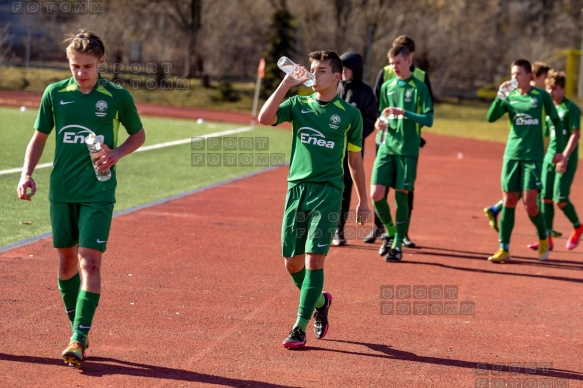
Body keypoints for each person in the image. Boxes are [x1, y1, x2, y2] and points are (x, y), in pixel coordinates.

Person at [16, 30, 146, 367]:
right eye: (75, 66)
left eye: (87, 66)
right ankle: (80, 330)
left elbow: (138, 134)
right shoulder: (55, 93)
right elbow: (39, 138)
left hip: (98, 191)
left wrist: (117, 153)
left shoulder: (116, 96)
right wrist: (26, 173)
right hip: (62, 191)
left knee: (89, 261)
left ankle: (77, 336)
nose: (81, 73)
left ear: (101, 62)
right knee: (66, 262)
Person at [258, 50, 369, 349]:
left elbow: (355, 162)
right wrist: (285, 84)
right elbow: (264, 117)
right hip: (297, 190)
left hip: (329, 193)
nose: (314, 75)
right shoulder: (298, 104)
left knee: (313, 260)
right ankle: (321, 301)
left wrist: (364, 200)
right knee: (292, 265)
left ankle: (299, 327)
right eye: (312, 70)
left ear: (336, 76)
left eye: (321, 71)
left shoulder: (350, 115)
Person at [485, 59, 563, 263]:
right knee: (510, 200)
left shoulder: (541, 96)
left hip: (533, 157)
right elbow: (491, 118)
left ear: (530, 76)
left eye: (518, 74)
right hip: (512, 155)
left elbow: (555, 120)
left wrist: (559, 150)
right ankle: (504, 248)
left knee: (530, 205)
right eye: (512, 74)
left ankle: (543, 236)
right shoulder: (510, 96)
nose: (514, 78)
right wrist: (500, 96)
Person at [366, 35, 434, 253]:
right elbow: (384, 113)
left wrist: (404, 113)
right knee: (376, 194)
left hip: (407, 150)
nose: (393, 67)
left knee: (401, 195)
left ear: (408, 62)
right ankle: (392, 231)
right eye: (391, 63)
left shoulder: (419, 87)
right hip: (386, 147)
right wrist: (379, 122)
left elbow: (429, 119)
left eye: (397, 62)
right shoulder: (387, 86)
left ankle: (397, 244)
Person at [526, 70, 583, 251]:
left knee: (561, 200)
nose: (551, 93)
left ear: (563, 89)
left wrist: (564, 157)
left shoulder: (570, 109)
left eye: (555, 89)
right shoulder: (549, 109)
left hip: (565, 159)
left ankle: (578, 226)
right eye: (549, 89)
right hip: (548, 160)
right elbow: (546, 138)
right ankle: (547, 238)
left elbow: (576, 135)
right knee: (546, 199)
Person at [332, 52, 377, 246]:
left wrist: (354, 136)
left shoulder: (366, 92)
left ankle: (338, 230)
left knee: (345, 189)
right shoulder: (335, 87)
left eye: (347, 69)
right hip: (331, 148)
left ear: (356, 71)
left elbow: (370, 119)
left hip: (352, 150)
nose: (343, 73)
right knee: (329, 187)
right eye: (341, 70)